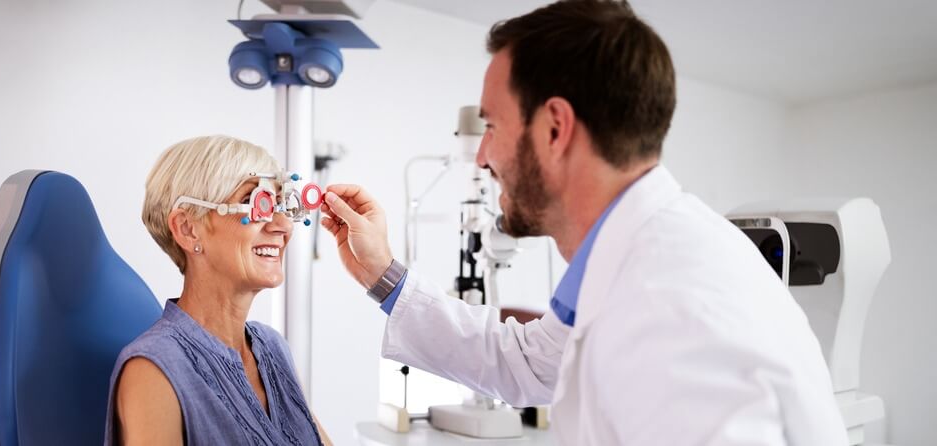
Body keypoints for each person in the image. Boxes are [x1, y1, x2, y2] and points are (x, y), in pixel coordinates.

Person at [319, 1, 848, 444]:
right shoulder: (626, 260)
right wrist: (381, 274)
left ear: (555, 129)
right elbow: (526, 362)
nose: (481, 156)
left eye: (492, 126)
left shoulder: (675, 309)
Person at [104, 135, 332, 445]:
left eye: (280, 205)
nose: (283, 226)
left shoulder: (272, 347)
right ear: (188, 228)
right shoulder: (153, 370)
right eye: (258, 202)